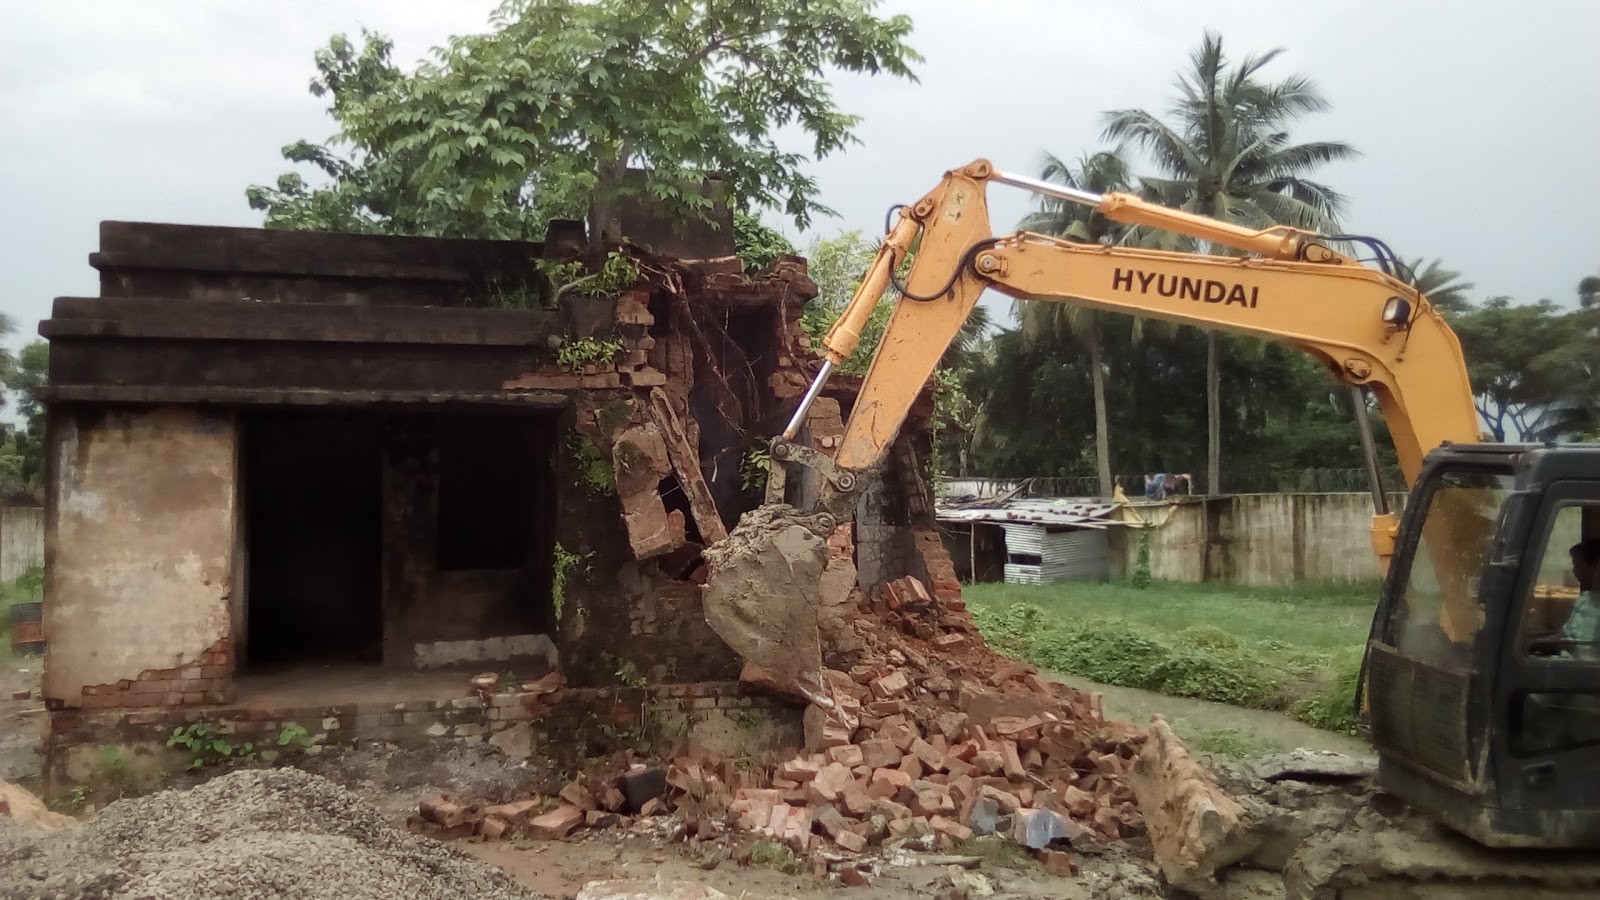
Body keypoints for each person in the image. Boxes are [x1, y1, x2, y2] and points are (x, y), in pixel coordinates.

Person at [1556, 539, 1600, 645]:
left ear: (1594, 567)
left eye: (1577, 565)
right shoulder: (1583, 599)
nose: (1573, 570)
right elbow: (1563, 635)